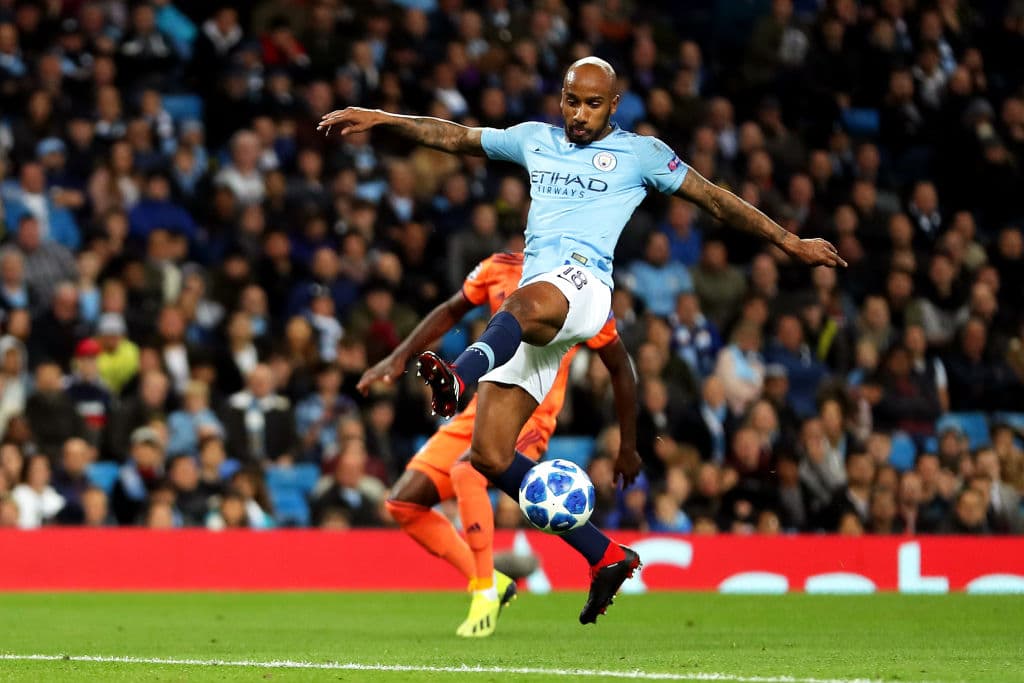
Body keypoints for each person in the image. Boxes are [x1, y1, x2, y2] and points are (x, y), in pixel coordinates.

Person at [321, 56, 843, 624]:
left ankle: (458, 377)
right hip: (538, 317)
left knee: (521, 299)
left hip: (584, 286)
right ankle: (606, 555)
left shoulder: (642, 153)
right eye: (572, 101)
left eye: (593, 104)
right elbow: (451, 135)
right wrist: (381, 116)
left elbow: (715, 197)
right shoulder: (533, 140)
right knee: (492, 457)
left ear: (614, 105)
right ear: (561, 97)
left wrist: (789, 242)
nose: (579, 113)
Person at [357, 249, 636, 636]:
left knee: (467, 472)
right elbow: (452, 309)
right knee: (403, 502)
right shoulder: (499, 267)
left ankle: (484, 588)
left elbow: (619, 365)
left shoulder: (581, 289)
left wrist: (628, 444)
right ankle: (496, 578)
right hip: (482, 406)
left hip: (530, 413)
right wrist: (399, 356)